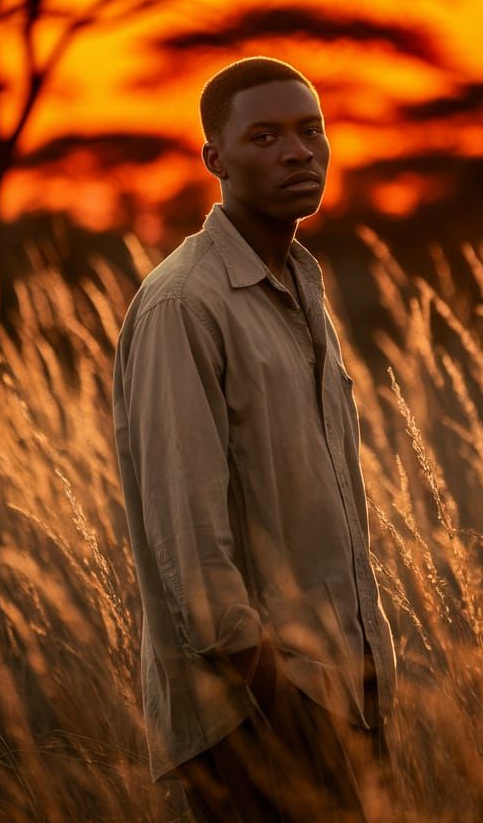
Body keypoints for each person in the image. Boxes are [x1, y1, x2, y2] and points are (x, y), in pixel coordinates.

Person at [112, 56, 397, 821]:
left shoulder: (299, 282)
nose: (299, 151)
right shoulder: (185, 303)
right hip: (254, 716)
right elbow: (189, 537)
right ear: (216, 159)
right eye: (265, 136)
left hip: (340, 691)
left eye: (311, 130)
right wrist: (283, 701)